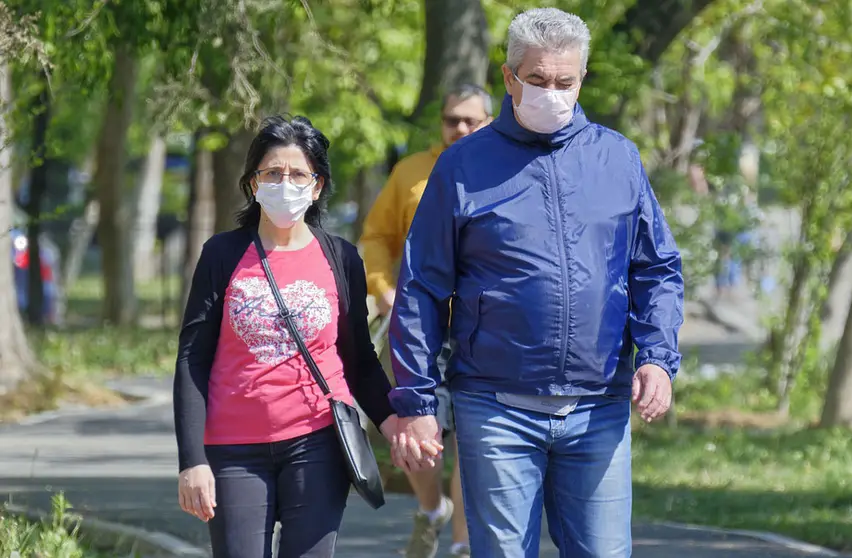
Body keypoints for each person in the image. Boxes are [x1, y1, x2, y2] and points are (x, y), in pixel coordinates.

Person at [386, 7, 684, 558]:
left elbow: (657, 267)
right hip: (494, 406)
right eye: (538, 80)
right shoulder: (462, 167)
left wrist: (657, 357)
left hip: (598, 406)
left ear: (582, 79)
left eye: (564, 82)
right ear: (509, 78)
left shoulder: (617, 158)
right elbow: (422, 288)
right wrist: (416, 401)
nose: (552, 93)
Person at [172, 115, 438, 558]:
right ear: (252, 183)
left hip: (318, 441)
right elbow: (191, 360)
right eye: (272, 173)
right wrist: (192, 462)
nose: (285, 183)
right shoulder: (222, 254)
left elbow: (358, 361)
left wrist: (396, 426)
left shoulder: (341, 258)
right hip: (234, 449)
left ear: (317, 186)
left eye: (298, 174)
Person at [360, 84, 494, 558]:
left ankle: (461, 543)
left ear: (489, 122)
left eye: (471, 120)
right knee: (421, 431)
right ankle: (432, 508)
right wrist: (382, 288)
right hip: (422, 327)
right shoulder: (412, 172)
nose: (460, 128)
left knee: (471, 437)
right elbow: (375, 237)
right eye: (452, 119)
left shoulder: (502, 168)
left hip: (483, 327)